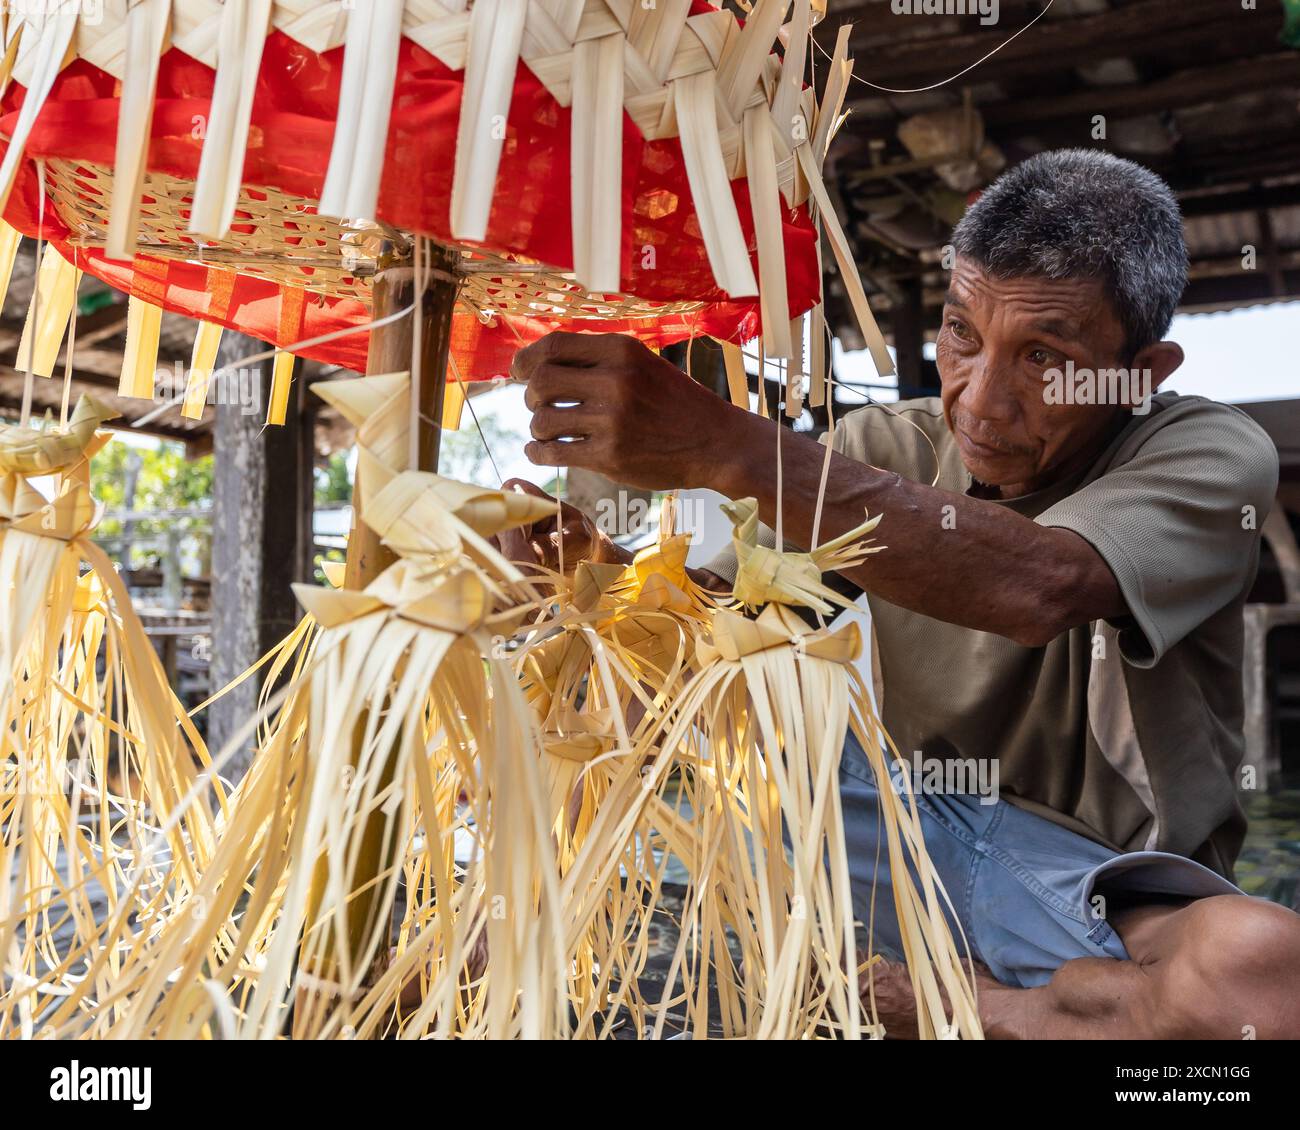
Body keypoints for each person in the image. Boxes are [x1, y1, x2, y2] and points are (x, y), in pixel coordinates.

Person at [497, 149, 1300, 1038]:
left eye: (1042, 356)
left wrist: (736, 450)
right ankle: (1025, 1010)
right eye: (962, 333)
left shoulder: (1209, 455)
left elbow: (1041, 582)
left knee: (1255, 981)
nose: (980, 403)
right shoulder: (880, 446)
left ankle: (945, 1002)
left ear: (1139, 373)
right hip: (890, 831)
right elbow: (698, 665)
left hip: (1088, 897)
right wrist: (581, 581)